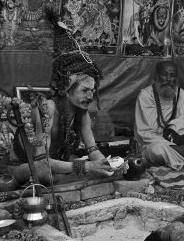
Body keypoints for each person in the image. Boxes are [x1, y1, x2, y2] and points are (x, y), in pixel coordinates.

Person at [10, 51, 121, 185]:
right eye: (85, 90)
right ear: (66, 90)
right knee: (45, 173)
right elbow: (41, 162)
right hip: (26, 166)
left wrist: (106, 165)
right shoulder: (47, 109)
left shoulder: (82, 112)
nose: (91, 96)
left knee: (82, 170)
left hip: (54, 165)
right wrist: (87, 166)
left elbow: (93, 150)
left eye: (93, 90)